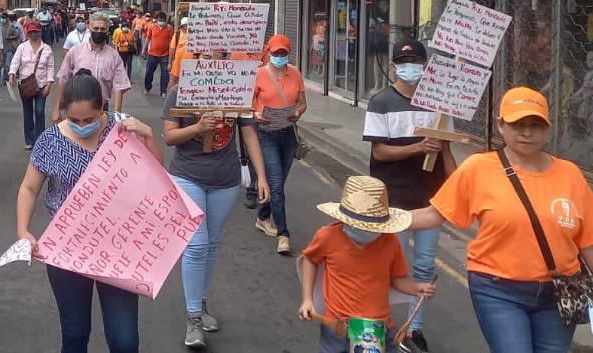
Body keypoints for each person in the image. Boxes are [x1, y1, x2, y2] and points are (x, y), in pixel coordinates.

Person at [407, 87, 593, 353]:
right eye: (517, 124)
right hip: (497, 290)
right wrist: (383, 219)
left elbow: (591, 243)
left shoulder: (570, 175)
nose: (526, 132)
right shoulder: (478, 168)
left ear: (547, 128)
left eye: (535, 125)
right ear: (501, 125)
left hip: (558, 294)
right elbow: (434, 214)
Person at [17, 70, 162, 353]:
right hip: (67, 249)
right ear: (63, 112)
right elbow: (28, 188)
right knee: (75, 333)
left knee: (125, 339)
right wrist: (23, 230)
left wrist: (149, 136)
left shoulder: (123, 131)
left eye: (89, 120)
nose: (82, 125)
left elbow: (156, 177)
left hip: (117, 247)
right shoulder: (51, 140)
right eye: (74, 120)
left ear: (103, 108)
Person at [163, 56, 269, 349]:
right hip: (187, 176)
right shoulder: (180, 91)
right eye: (207, 57)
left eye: (219, 56)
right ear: (197, 60)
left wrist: (261, 176)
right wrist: (198, 128)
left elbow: (248, 133)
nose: (213, 62)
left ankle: (201, 301)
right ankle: (193, 317)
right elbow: (170, 136)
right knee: (196, 245)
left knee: (211, 244)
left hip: (225, 179)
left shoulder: (238, 91)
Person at [362, 38, 455, 352]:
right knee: (392, 265)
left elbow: (446, 150)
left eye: (415, 61)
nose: (410, 68)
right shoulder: (381, 102)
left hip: (431, 197)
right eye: (404, 62)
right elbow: (379, 153)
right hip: (394, 197)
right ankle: (385, 324)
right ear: (394, 66)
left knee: (426, 266)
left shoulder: (439, 106)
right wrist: (417, 146)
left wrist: (461, 187)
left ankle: (415, 330)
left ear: (425, 66)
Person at [299, 176, 438, 353]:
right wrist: (307, 300)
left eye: (371, 227)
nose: (367, 231)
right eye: (361, 225)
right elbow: (310, 260)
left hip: (379, 326)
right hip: (338, 325)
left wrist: (416, 288)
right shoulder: (327, 236)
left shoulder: (390, 242)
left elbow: (396, 279)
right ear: (346, 220)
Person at [252, 34, 308, 255]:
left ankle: (262, 216)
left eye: (283, 53)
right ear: (269, 53)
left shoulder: (295, 74)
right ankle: (284, 235)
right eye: (276, 53)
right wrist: (256, 114)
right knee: (275, 184)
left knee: (279, 183)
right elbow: (247, 104)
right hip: (266, 134)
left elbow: (303, 103)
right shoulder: (259, 75)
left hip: (287, 134)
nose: (280, 57)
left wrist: (298, 112)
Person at [53, 14, 131, 122]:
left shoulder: (113, 56)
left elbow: (119, 86)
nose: (99, 31)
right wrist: (57, 109)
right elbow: (63, 79)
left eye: (102, 29)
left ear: (108, 30)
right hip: (76, 108)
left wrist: (116, 115)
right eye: (96, 28)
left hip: (102, 111)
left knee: (101, 138)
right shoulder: (75, 51)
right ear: (90, 28)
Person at [9, 20, 55, 149]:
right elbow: (15, 62)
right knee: (27, 112)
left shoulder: (47, 49)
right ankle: (29, 140)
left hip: (41, 85)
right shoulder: (22, 47)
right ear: (28, 33)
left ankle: (40, 140)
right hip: (26, 85)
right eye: (31, 32)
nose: (33, 34)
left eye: (35, 31)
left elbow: (50, 68)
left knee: (39, 111)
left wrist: (49, 84)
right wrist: (12, 75)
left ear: (40, 32)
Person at [142, 12, 174, 95]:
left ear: (165, 20)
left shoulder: (169, 28)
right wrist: (144, 49)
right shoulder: (152, 26)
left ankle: (163, 91)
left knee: (165, 74)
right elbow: (148, 38)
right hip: (152, 54)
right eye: (160, 20)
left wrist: (172, 55)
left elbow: (172, 42)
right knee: (149, 72)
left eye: (162, 20)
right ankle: (147, 88)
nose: (161, 22)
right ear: (157, 20)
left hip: (165, 54)